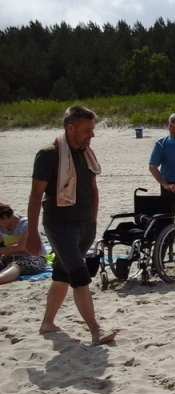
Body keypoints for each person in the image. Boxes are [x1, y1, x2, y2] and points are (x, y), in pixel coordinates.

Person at [26, 105, 116, 345]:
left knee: (62, 273)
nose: (92, 134)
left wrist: (93, 219)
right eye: (87, 130)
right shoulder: (49, 155)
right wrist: (32, 232)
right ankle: (96, 330)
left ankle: (47, 323)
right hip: (60, 225)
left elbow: (93, 188)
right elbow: (35, 195)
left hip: (85, 224)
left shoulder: (86, 153)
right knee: (79, 273)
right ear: (70, 128)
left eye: (92, 129)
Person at [0, 203, 48, 284]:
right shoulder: (2, 227)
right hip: (10, 257)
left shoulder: (25, 224)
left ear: (4, 217)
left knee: (16, 265)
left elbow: (21, 248)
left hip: (34, 257)